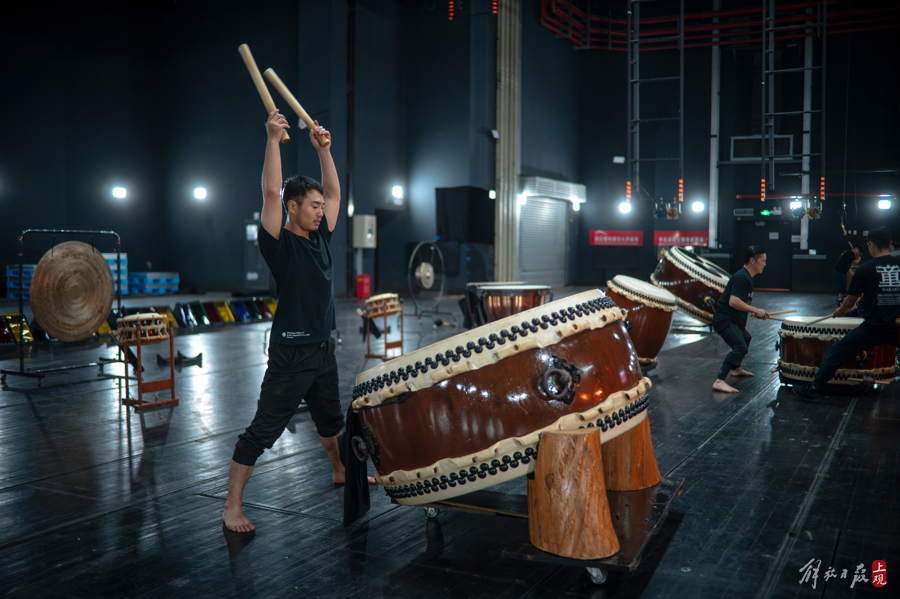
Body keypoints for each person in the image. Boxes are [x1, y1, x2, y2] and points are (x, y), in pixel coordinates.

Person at [223, 109, 362, 533]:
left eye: (321, 207)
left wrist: (324, 150)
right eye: (313, 206)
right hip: (291, 354)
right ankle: (231, 507)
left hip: (322, 348)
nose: (321, 211)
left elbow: (335, 192)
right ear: (293, 206)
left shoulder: (322, 237)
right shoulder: (279, 244)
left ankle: (339, 470)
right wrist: (272, 139)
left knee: (331, 421)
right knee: (263, 431)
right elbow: (270, 191)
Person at [794, 226, 900, 400]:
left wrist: (840, 310)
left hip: (873, 327)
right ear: (889, 244)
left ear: (871, 245)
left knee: (837, 351)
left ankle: (814, 389)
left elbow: (850, 301)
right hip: (897, 326)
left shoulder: (865, 269)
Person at [711, 245, 770, 393]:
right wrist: (755, 310)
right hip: (724, 320)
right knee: (740, 346)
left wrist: (755, 312)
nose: (764, 264)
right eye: (762, 261)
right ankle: (719, 381)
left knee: (745, 338)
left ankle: (736, 369)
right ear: (752, 261)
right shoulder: (742, 277)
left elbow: (741, 304)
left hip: (733, 320)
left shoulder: (747, 277)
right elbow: (733, 301)